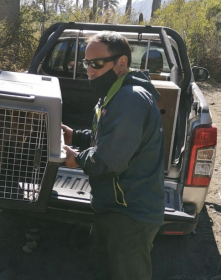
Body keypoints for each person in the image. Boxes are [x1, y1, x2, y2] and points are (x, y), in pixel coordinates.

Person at [62, 32, 165, 280]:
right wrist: (75, 136)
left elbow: (110, 159)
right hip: (113, 207)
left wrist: (76, 158)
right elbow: (108, 137)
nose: (89, 70)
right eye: (85, 63)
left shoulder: (131, 98)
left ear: (121, 64)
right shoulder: (115, 93)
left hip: (131, 213)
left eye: (96, 63)